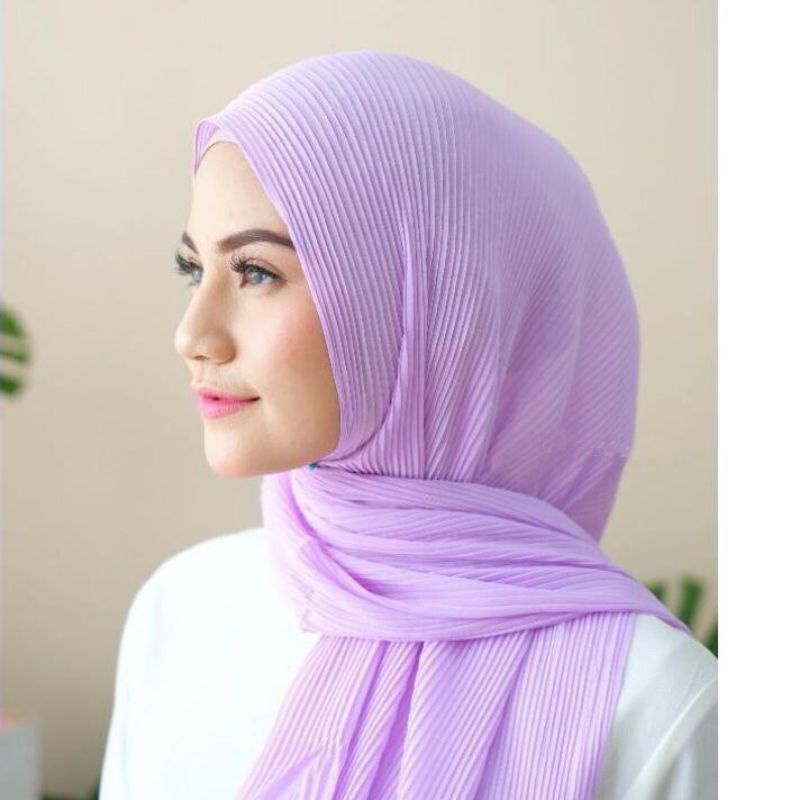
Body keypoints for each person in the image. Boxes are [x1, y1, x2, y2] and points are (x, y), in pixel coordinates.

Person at [99, 51, 717, 799]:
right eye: (193, 270)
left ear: (438, 309)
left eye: (257, 273)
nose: (192, 334)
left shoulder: (658, 705)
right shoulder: (181, 612)